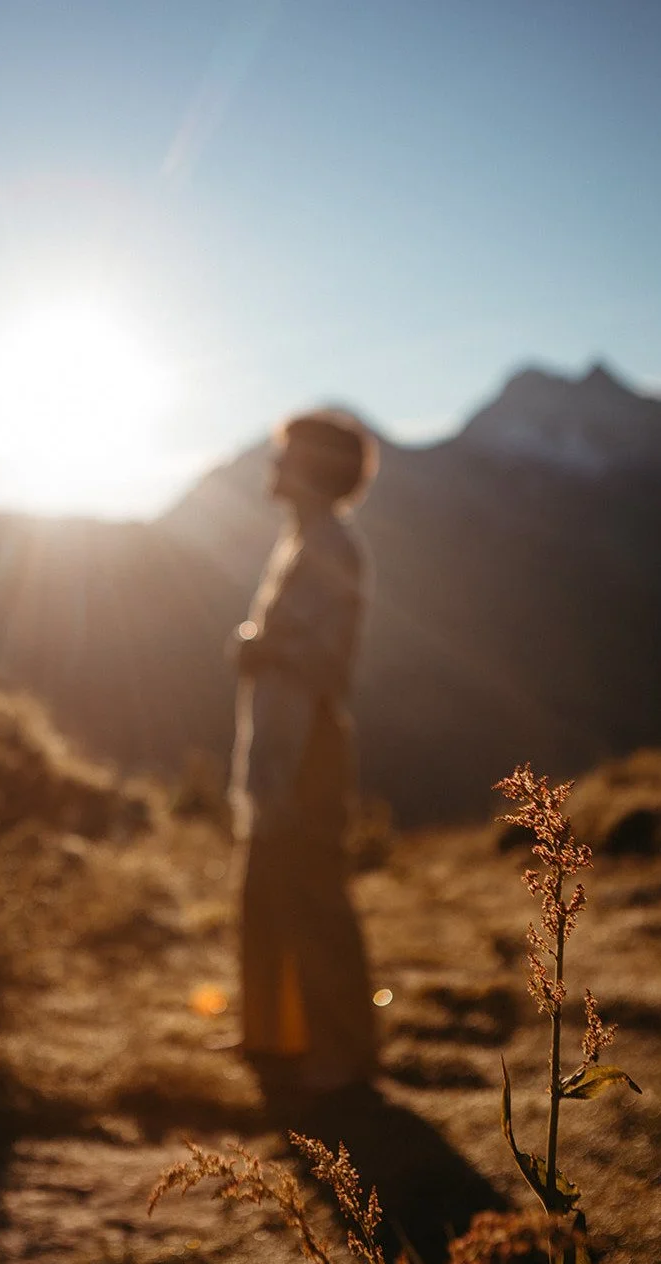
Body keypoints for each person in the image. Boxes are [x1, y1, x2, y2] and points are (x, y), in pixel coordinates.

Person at [229, 409, 379, 1095]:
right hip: (280, 733)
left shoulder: (331, 547)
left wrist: (259, 645)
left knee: (312, 892)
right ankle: (270, 1035)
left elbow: (326, 658)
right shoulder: (302, 539)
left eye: (283, 455)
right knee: (263, 888)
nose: (271, 465)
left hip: (307, 739)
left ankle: (342, 1054)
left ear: (311, 469)